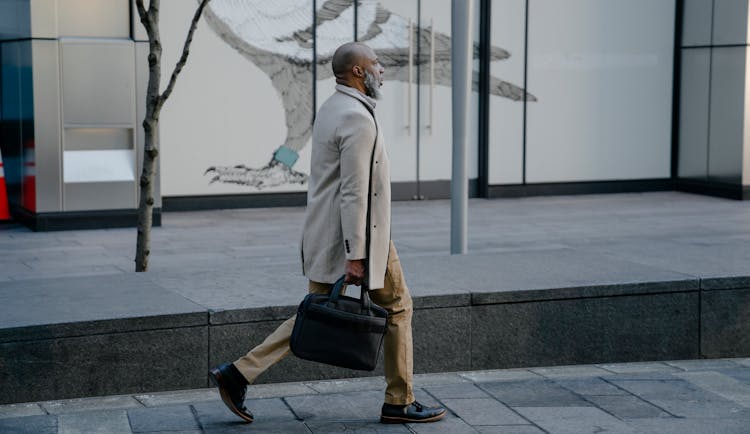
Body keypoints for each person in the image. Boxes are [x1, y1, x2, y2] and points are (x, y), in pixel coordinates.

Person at [209, 42, 446, 425]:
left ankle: (237, 374)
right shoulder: (357, 117)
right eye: (375, 64)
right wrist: (357, 253)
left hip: (325, 234)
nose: (382, 70)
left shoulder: (333, 106)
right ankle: (399, 401)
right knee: (399, 306)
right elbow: (355, 191)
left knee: (313, 314)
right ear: (357, 72)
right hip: (358, 239)